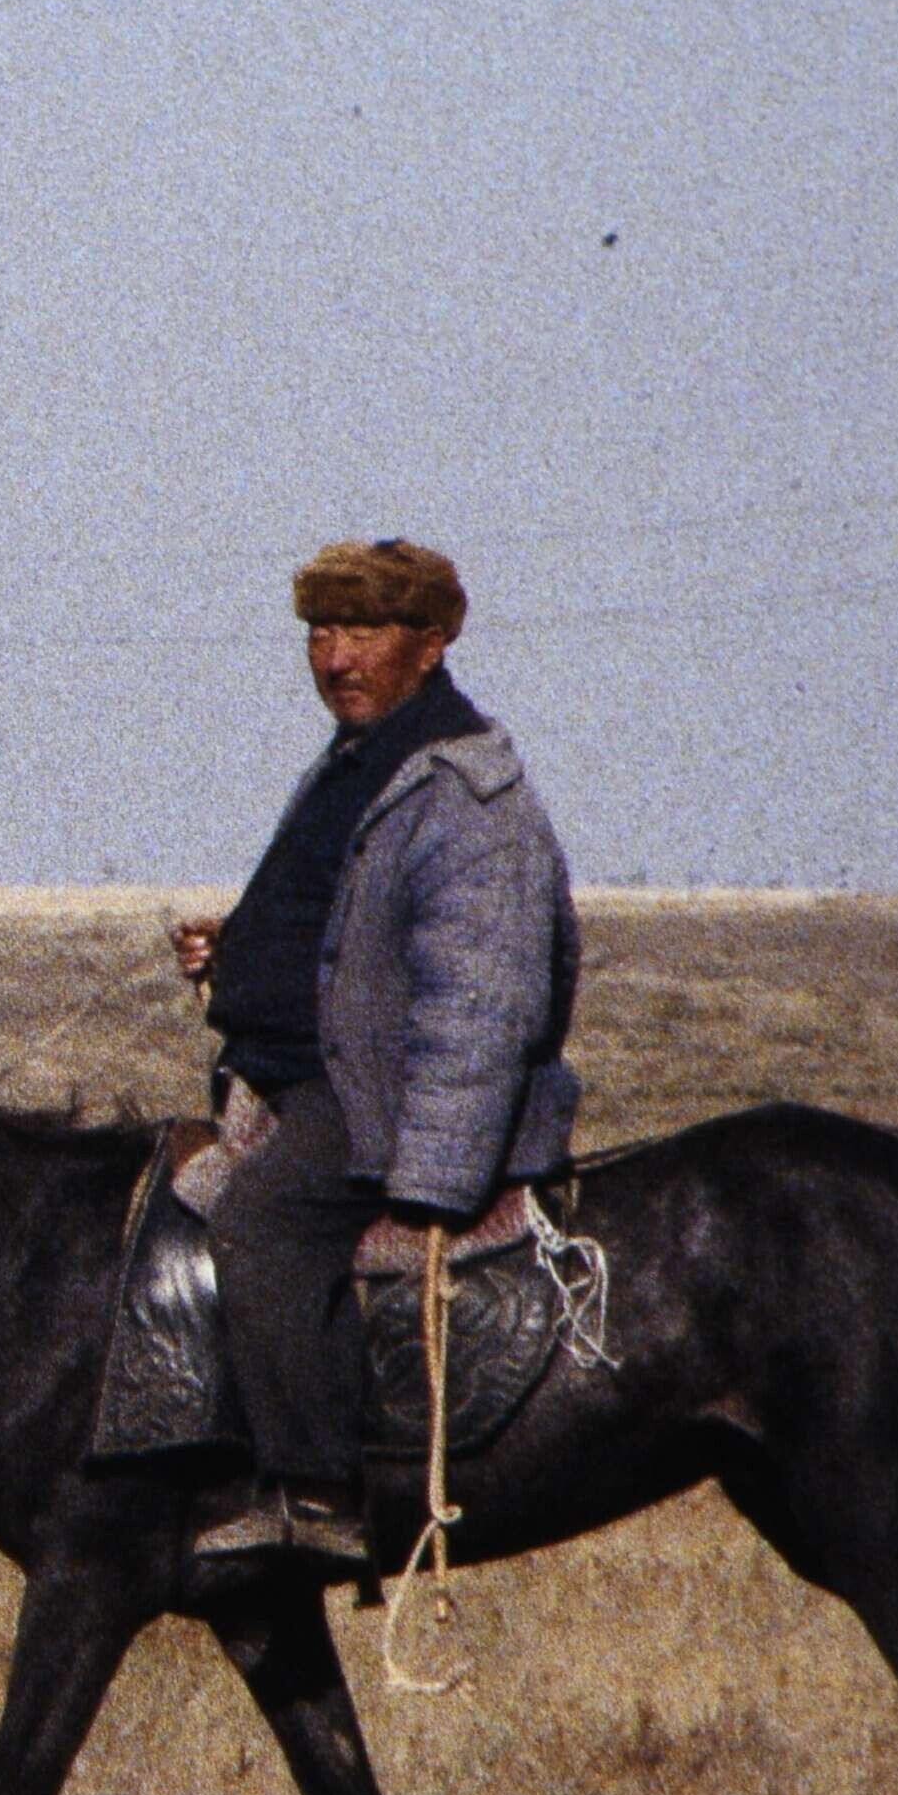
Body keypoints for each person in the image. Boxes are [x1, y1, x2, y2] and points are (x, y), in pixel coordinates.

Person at [158, 538, 582, 1569]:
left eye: (363, 632)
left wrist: (434, 1175)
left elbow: (483, 1001)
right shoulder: (362, 759)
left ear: (430, 644)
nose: (336, 657)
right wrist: (241, 952)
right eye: (320, 632)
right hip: (305, 1077)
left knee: (260, 1224)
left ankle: (315, 1495)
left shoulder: (465, 795)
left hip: (373, 1104)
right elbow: (345, 928)